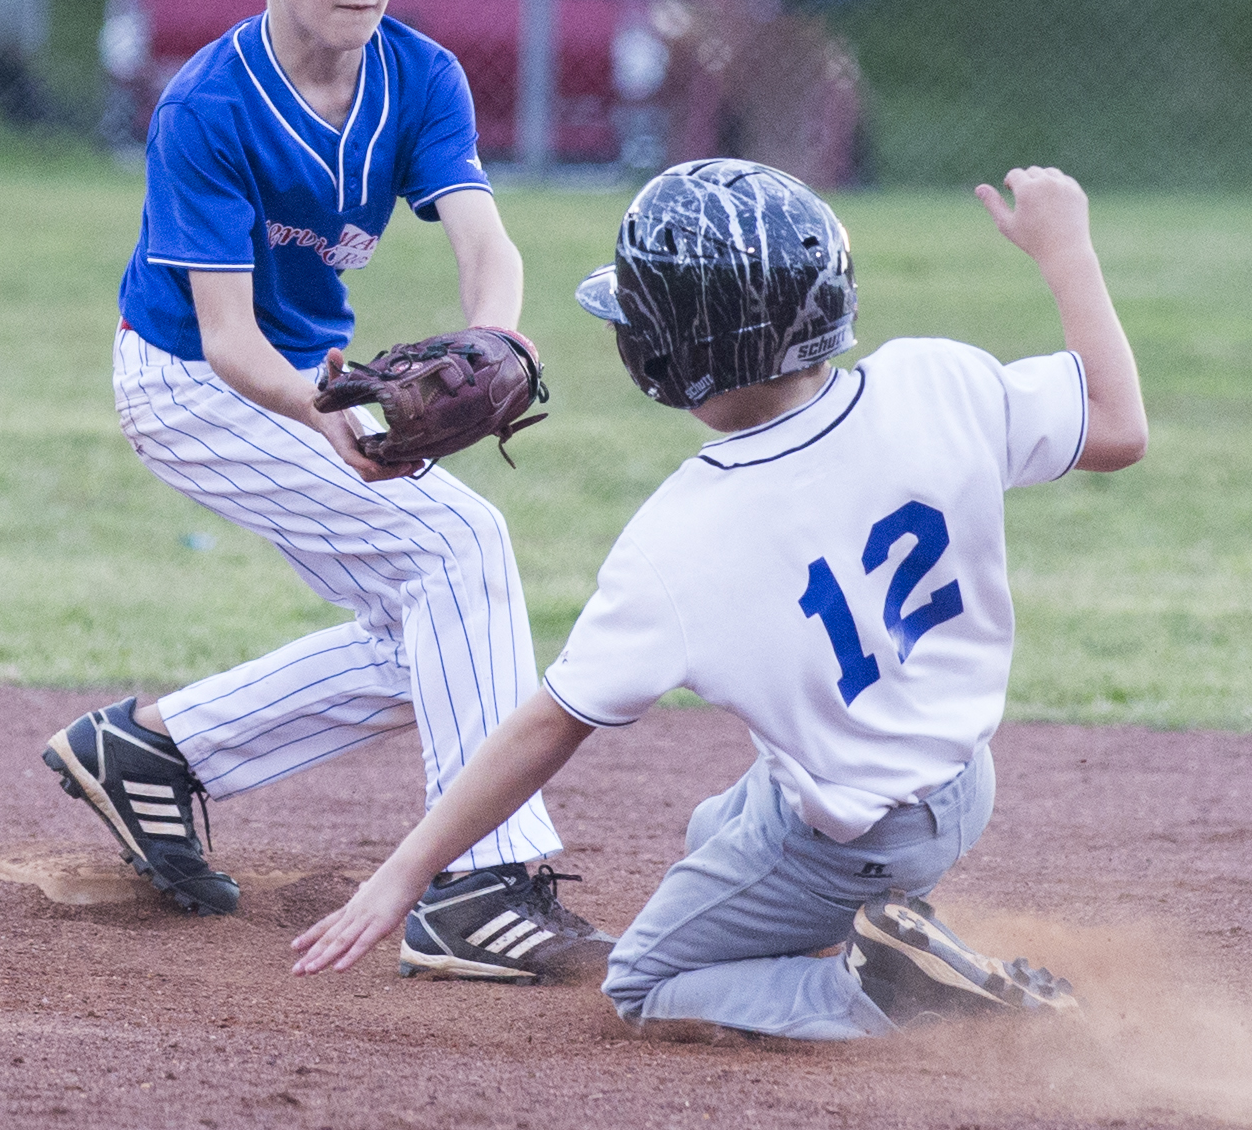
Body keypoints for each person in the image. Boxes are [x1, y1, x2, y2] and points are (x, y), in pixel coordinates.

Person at [289, 160, 1148, 1038]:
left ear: (664, 353)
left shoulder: (680, 536)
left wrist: (401, 876)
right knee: (714, 829)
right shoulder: (937, 380)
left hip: (855, 845)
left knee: (644, 984)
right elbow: (1117, 427)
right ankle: (877, 941)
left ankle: (881, 991)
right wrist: (1064, 251)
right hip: (963, 783)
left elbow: (547, 727)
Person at [42, 0, 609, 980]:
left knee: (443, 639)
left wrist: (493, 334)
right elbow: (228, 341)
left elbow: (483, 240)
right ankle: (481, 885)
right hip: (193, 386)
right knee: (459, 547)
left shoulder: (418, 74)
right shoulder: (207, 107)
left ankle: (156, 750)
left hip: (309, 377)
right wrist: (330, 411)